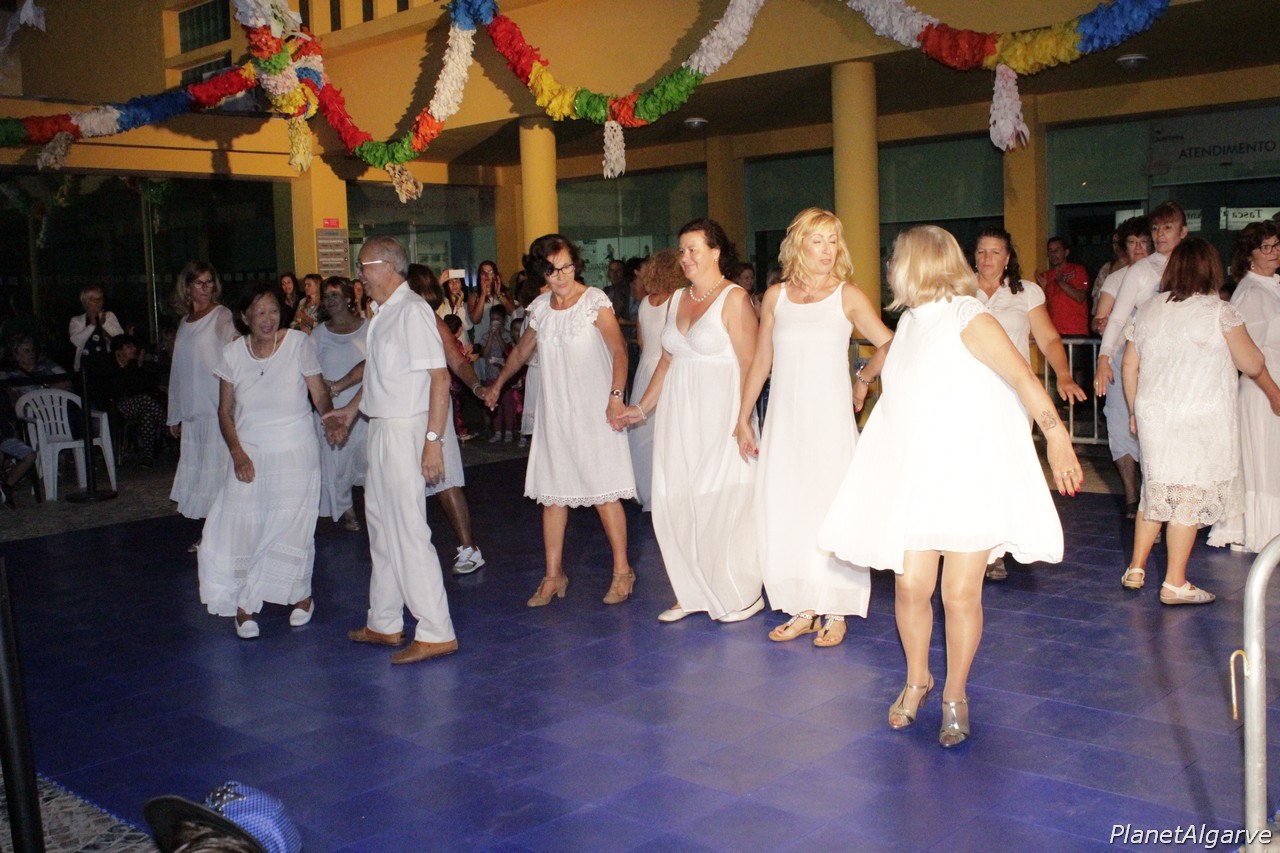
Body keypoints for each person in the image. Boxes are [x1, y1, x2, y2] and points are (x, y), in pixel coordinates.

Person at [818, 225, 1082, 748]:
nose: (890, 267)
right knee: (911, 587)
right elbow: (899, 391)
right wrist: (866, 387)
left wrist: (1056, 438)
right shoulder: (910, 323)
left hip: (968, 474)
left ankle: (955, 693)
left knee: (959, 593)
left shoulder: (968, 315)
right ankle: (917, 679)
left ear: (919, 263)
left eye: (896, 258)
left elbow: (1023, 378)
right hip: (920, 476)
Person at [736, 208, 893, 643]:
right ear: (798, 245)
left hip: (829, 423)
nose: (828, 250)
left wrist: (863, 380)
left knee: (831, 508)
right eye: (818, 240)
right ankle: (802, 604)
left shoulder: (847, 295)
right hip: (785, 422)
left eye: (833, 241)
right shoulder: (775, 297)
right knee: (788, 508)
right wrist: (743, 417)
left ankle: (837, 608)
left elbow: (890, 343)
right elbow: (762, 360)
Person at [1120, 238, 1280, 603]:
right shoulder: (1218, 312)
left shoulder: (1148, 310)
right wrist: (1274, 392)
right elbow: (1253, 363)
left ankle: (1136, 567)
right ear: (1211, 269)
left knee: (1156, 489)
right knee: (1187, 495)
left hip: (1154, 412)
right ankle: (1174, 583)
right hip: (1197, 413)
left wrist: (1133, 410)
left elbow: (1130, 364)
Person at [326, 236, 460, 663]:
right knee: (382, 528)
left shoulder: (412, 311)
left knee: (407, 530)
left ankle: (436, 630)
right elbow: (380, 378)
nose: (359, 275)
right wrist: (350, 411)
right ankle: (384, 622)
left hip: (406, 429)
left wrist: (433, 443)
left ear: (386, 266)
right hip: (382, 428)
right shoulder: (383, 313)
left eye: (363, 266)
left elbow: (440, 378)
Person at [623, 218, 763, 624]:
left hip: (722, 414)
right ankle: (691, 591)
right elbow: (667, 361)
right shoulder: (676, 299)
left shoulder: (734, 298)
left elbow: (751, 364)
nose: (684, 257)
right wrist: (642, 409)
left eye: (693, 249)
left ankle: (740, 593)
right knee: (675, 500)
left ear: (715, 252)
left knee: (722, 500)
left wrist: (743, 419)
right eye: (681, 250)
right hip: (678, 416)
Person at [484, 234, 636, 607]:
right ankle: (553, 575)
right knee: (553, 494)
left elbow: (619, 351)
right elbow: (521, 352)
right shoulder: (540, 308)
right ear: (542, 274)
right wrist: (497, 385)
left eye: (566, 266)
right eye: (552, 271)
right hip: (556, 414)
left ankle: (622, 571)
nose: (562, 276)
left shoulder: (595, 301)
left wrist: (616, 397)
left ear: (575, 264)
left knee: (604, 493)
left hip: (595, 412)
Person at [198, 282, 336, 639]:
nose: (268, 318)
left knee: (292, 525)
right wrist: (237, 453)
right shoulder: (233, 353)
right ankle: (245, 603)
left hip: (296, 451)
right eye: (259, 312)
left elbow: (319, 394)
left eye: (273, 310)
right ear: (245, 317)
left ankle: (301, 595)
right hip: (251, 453)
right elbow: (225, 412)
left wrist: (332, 420)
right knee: (244, 527)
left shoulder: (298, 343)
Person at [331, 264, 488, 575]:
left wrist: (477, 387)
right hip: (400, 415)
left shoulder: (423, 316)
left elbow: (455, 362)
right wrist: (340, 389)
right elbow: (375, 368)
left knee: (444, 480)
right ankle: (400, 554)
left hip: (430, 410)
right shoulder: (386, 317)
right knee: (400, 488)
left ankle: (468, 547)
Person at [972, 226, 1087, 579]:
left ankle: (997, 548)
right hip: (968, 392)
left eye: (995, 252)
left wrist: (1063, 374)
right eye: (981, 251)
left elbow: (1049, 338)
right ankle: (975, 544)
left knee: (1004, 467)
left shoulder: (1026, 292)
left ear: (1007, 258)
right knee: (973, 467)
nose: (987, 258)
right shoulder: (959, 290)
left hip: (1012, 394)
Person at [1210, 223, 1280, 552]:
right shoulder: (1250, 293)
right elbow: (1245, 355)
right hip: (1262, 388)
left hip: (1273, 382)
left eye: (1277, 245)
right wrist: (1272, 392)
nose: (1274, 252)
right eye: (1266, 247)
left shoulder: (1272, 286)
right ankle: (1263, 532)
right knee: (1264, 462)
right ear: (1250, 255)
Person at [168, 262, 237, 532]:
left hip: (215, 409)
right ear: (188, 288)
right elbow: (178, 370)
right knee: (201, 477)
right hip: (193, 411)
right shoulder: (184, 322)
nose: (206, 287)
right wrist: (174, 414)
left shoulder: (221, 315)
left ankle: (220, 535)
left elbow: (234, 349)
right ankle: (211, 534)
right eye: (199, 283)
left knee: (219, 475)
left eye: (209, 282)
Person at [1093, 216, 1152, 518]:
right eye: (1132, 242)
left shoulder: (1168, 274)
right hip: (1118, 358)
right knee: (1119, 425)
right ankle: (1131, 496)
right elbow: (1099, 319)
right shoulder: (1116, 279)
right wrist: (1102, 323)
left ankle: (1154, 495)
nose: (1138, 248)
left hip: (1156, 361)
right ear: (1125, 248)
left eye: (1143, 242)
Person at [311, 276, 367, 532]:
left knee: (368, 459)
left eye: (335, 295)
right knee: (337, 463)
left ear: (348, 297)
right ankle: (347, 510)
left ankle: (375, 507)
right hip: (332, 408)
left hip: (363, 406)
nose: (330, 300)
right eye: (326, 296)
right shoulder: (318, 334)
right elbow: (310, 371)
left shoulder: (369, 327)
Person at [628, 249, 682, 511]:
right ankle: (664, 493)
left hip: (644, 370)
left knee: (642, 435)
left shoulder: (645, 303)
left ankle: (645, 490)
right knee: (666, 434)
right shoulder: (676, 301)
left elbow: (641, 341)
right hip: (665, 370)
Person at [88, 333, 165, 466]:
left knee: (147, 413)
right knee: (145, 401)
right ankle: (169, 429)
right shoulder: (107, 365)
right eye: (129, 347)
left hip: (132, 405)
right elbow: (109, 391)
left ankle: (147, 456)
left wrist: (139, 366)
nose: (134, 349)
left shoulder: (132, 366)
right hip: (112, 407)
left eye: (133, 346)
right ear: (119, 351)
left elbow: (143, 386)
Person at [1037, 236, 1090, 338]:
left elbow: (1080, 297)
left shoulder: (1078, 270)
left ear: (1066, 252)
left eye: (1057, 250)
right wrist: (1042, 289)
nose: (1053, 254)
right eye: (1050, 251)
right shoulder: (1045, 276)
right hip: (1053, 332)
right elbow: (1039, 309)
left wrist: (1061, 283)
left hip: (1076, 331)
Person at [68, 284, 124, 371]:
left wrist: (104, 323)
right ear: (85, 302)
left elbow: (121, 337)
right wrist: (92, 325)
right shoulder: (76, 320)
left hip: (108, 364)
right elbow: (76, 342)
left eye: (100, 298)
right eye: (93, 299)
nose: (98, 302)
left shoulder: (109, 316)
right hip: (86, 365)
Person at [468, 260, 515, 328]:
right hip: (482, 334)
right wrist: (483, 295)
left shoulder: (505, 292)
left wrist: (499, 294)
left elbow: (513, 313)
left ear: (495, 275)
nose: (487, 276)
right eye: (483, 273)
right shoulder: (474, 296)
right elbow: (475, 320)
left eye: (490, 272)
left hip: (504, 333)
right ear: (479, 276)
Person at [437, 269, 473, 344]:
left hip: (463, 345)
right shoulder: (441, 303)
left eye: (457, 281)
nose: (454, 284)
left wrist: (459, 306)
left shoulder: (466, 304)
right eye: (451, 282)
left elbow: (468, 326)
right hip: (446, 344)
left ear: (461, 284)